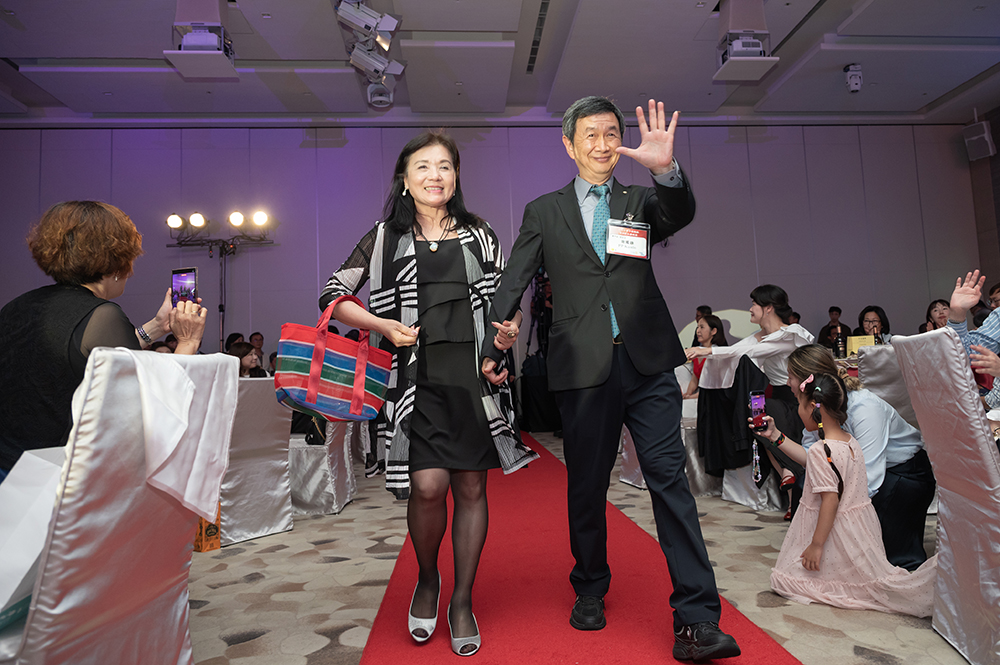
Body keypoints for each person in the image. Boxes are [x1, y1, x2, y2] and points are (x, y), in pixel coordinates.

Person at [482, 96, 740, 661]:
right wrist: (493, 341)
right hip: (583, 368)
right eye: (590, 135)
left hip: (648, 364)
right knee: (587, 485)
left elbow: (680, 213)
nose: (602, 144)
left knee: (670, 482)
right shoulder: (544, 210)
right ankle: (590, 586)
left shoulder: (640, 200)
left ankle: (697, 619)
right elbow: (515, 276)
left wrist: (666, 171)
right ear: (569, 145)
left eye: (611, 134)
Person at [319, 131, 537, 657]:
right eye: (423, 166)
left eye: (444, 166)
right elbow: (332, 294)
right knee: (428, 486)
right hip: (414, 380)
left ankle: (462, 600)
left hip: (472, 379)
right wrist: (381, 325)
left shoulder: (480, 233)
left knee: (471, 488)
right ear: (405, 179)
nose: (434, 175)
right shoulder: (384, 238)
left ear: (456, 178)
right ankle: (427, 578)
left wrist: (506, 336)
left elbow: (506, 301)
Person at [0, 200, 208, 479]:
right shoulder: (103, 315)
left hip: (11, 466)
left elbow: (76, 354)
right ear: (118, 261)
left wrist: (157, 327)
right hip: (57, 475)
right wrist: (188, 342)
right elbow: (149, 413)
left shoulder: (18, 305)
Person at [761, 372, 936, 617]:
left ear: (813, 408)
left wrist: (816, 545)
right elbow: (814, 462)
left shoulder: (822, 450)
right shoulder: (850, 441)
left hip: (835, 525)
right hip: (857, 523)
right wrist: (775, 436)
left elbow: (830, 500)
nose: (798, 411)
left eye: (799, 404)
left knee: (784, 581)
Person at [687, 285, 813, 515]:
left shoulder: (790, 334)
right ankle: (788, 477)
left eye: (754, 304)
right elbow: (737, 350)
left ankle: (790, 475)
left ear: (768, 308)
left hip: (801, 400)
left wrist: (707, 351)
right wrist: (706, 352)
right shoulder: (760, 336)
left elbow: (748, 353)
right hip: (778, 399)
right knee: (757, 416)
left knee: (764, 415)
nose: (750, 308)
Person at [682, 314, 727, 399]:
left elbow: (712, 387)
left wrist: (691, 397)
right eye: (697, 327)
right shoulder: (696, 352)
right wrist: (687, 394)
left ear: (713, 331)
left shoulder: (716, 354)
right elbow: (694, 380)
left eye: (702, 327)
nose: (698, 331)